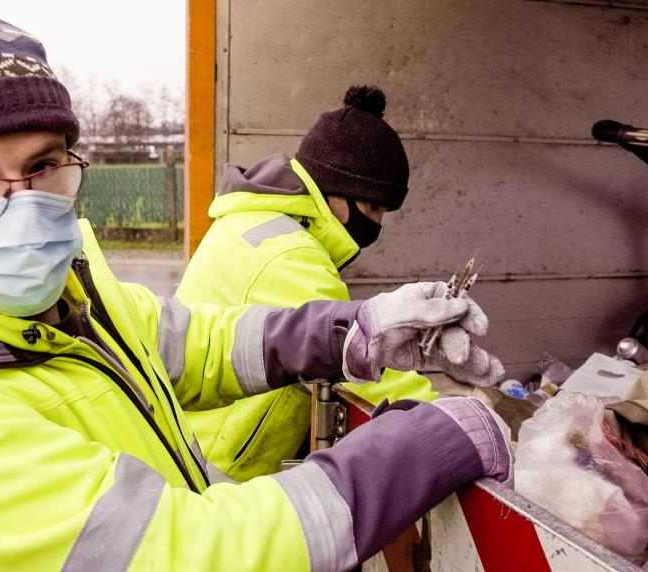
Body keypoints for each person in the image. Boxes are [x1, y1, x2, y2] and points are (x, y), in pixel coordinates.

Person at [0, 6, 510, 571]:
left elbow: (191, 343)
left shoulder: (60, 295)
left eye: (45, 164)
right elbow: (199, 552)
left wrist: (357, 332)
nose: (22, 203)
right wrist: (427, 442)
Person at [178, 85, 503, 482]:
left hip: (196, 442)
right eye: (373, 207)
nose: (379, 223)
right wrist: (458, 417)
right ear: (335, 190)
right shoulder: (290, 255)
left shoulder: (255, 219)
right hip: (214, 467)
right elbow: (365, 363)